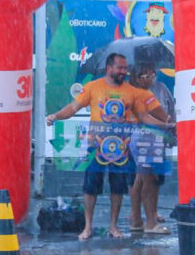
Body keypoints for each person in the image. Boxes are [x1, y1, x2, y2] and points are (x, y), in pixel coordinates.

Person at [46, 53, 170, 240]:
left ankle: (113, 227)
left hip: (122, 148)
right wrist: (55, 116)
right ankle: (88, 227)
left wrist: (165, 125)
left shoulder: (132, 91)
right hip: (96, 146)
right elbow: (73, 108)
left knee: (117, 188)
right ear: (108, 67)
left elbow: (144, 116)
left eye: (125, 68)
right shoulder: (92, 87)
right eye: (120, 68)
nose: (123, 71)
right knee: (90, 187)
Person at [128, 63, 174, 234]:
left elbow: (166, 111)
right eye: (146, 76)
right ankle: (150, 223)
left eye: (152, 75)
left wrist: (168, 125)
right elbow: (144, 117)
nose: (151, 78)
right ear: (137, 78)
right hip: (144, 139)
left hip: (155, 139)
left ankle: (138, 220)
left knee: (142, 179)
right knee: (149, 182)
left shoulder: (155, 91)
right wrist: (165, 124)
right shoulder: (135, 94)